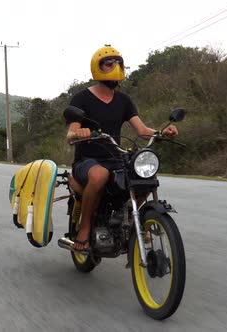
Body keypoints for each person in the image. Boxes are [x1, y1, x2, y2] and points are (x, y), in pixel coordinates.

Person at [64, 45, 178, 252]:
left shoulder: (124, 100)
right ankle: (85, 227)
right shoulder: (81, 98)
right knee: (99, 175)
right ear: (98, 67)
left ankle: (127, 214)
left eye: (119, 63)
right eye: (109, 63)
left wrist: (162, 132)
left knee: (142, 177)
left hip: (115, 159)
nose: (115, 66)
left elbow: (142, 131)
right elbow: (70, 135)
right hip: (87, 160)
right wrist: (79, 133)